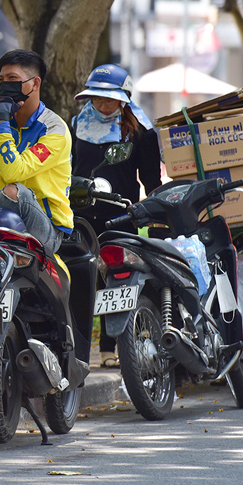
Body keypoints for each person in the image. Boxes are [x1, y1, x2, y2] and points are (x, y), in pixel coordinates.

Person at [70, 63, 161, 367]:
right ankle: (79, 351)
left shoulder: (141, 133)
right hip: (79, 218)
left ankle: (114, 348)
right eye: (96, 98)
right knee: (82, 285)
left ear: (123, 98)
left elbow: (150, 180)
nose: (101, 104)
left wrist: (154, 211)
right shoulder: (75, 125)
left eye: (108, 99)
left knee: (119, 284)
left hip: (122, 217)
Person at [0, 49, 73, 256]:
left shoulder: (54, 129)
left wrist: (1, 123)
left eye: (13, 78)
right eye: (1, 79)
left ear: (35, 83)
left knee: (14, 190)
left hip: (48, 230)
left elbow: (13, 174)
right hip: (3, 220)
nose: (5, 85)